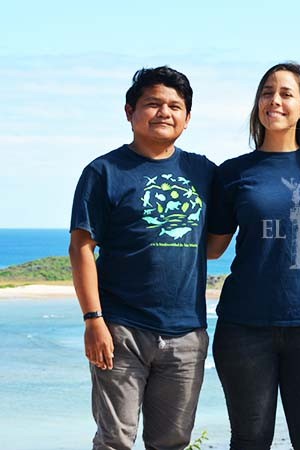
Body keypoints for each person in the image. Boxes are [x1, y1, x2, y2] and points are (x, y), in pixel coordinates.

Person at [69, 66, 215, 450]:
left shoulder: (202, 171)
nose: (164, 112)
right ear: (129, 111)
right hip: (121, 329)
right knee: (115, 439)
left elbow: (221, 237)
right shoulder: (104, 172)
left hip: (186, 331)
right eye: (152, 104)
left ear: (187, 118)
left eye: (175, 106)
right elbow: (82, 247)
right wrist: (93, 320)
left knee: (172, 441)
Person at [206, 62, 300, 450]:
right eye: (267, 92)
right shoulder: (232, 172)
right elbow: (212, 248)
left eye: (285, 94)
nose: (274, 100)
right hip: (243, 328)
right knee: (250, 441)